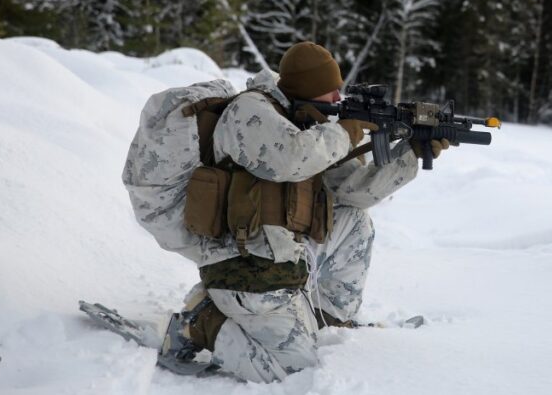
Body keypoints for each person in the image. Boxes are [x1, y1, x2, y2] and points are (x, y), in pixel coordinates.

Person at [159, 41, 449, 382]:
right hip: (242, 265)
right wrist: (344, 132)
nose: (338, 99)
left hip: (283, 257)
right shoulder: (251, 111)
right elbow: (290, 160)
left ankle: (326, 315)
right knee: (295, 370)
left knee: (354, 221)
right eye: (330, 91)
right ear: (306, 89)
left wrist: (410, 154)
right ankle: (202, 323)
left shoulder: (311, 123)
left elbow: (354, 191)